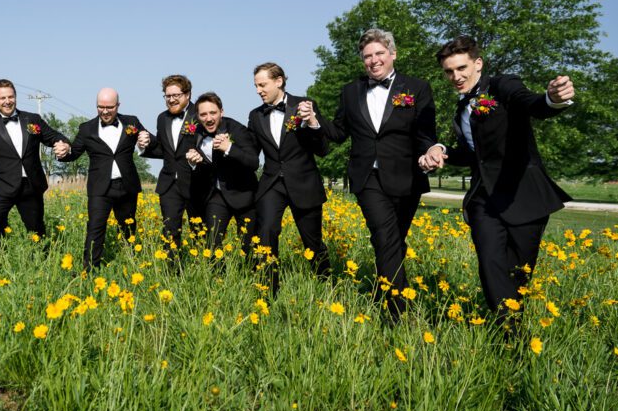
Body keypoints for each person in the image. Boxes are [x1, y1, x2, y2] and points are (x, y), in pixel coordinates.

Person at [419, 36, 574, 324]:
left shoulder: (502, 86)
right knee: (490, 263)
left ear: (478, 64)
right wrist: (440, 150)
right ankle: (508, 331)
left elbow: (531, 103)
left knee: (519, 272)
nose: (456, 76)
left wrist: (552, 99)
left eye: (462, 68)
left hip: (523, 195)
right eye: (449, 71)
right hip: (483, 201)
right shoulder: (461, 108)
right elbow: (472, 154)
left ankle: (512, 330)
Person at [300, 29, 436, 320]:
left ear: (393, 54)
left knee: (394, 240)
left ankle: (383, 289)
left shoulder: (417, 87)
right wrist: (314, 120)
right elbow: (338, 132)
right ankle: (396, 314)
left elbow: (425, 132)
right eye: (367, 56)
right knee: (385, 237)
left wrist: (430, 151)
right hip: (367, 178)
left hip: (407, 177)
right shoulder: (351, 91)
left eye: (379, 54)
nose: (373, 61)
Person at [247, 63, 330, 289]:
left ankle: (324, 286)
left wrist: (312, 122)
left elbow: (323, 149)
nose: (258, 90)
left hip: (304, 183)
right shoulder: (255, 116)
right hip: (271, 183)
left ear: (279, 81)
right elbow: (251, 154)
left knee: (312, 241)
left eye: (262, 85)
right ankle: (267, 289)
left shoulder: (304, 105)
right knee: (266, 233)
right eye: (255, 86)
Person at [0, 79, 70, 244]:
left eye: (10, 97)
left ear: (15, 97)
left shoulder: (33, 119)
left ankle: (40, 264)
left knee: (37, 231)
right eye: (2, 98)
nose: (7, 101)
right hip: (1, 187)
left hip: (30, 185)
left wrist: (64, 144)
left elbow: (53, 136)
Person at [61, 88, 148, 270]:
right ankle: (89, 270)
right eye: (101, 107)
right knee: (95, 228)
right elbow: (74, 152)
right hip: (100, 189)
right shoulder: (86, 128)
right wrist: (63, 152)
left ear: (118, 105)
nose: (105, 111)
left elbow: (147, 140)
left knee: (128, 227)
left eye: (109, 107)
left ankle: (131, 265)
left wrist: (145, 140)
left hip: (127, 186)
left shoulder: (132, 122)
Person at [184, 92, 258, 251]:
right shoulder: (197, 132)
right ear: (197, 116)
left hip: (243, 195)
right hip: (216, 196)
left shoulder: (237, 130)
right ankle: (218, 274)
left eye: (213, 113)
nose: (208, 118)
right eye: (203, 114)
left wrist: (229, 148)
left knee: (249, 246)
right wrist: (193, 163)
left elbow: (253, 162)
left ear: (221, 112)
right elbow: (205, 165)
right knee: (212, 244)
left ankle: (250, 274)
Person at [137, 75, 201, 254]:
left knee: (201, 232)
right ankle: (172, 273)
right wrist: (146, 144)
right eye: (167, 96)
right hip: (169, 185)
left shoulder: (201, 113)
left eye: (176, 95)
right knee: (170, 232)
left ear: (187, 94)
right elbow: (166, 150)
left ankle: (205, 272)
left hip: (196, 182)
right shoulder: (161, 118)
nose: (171, 99)